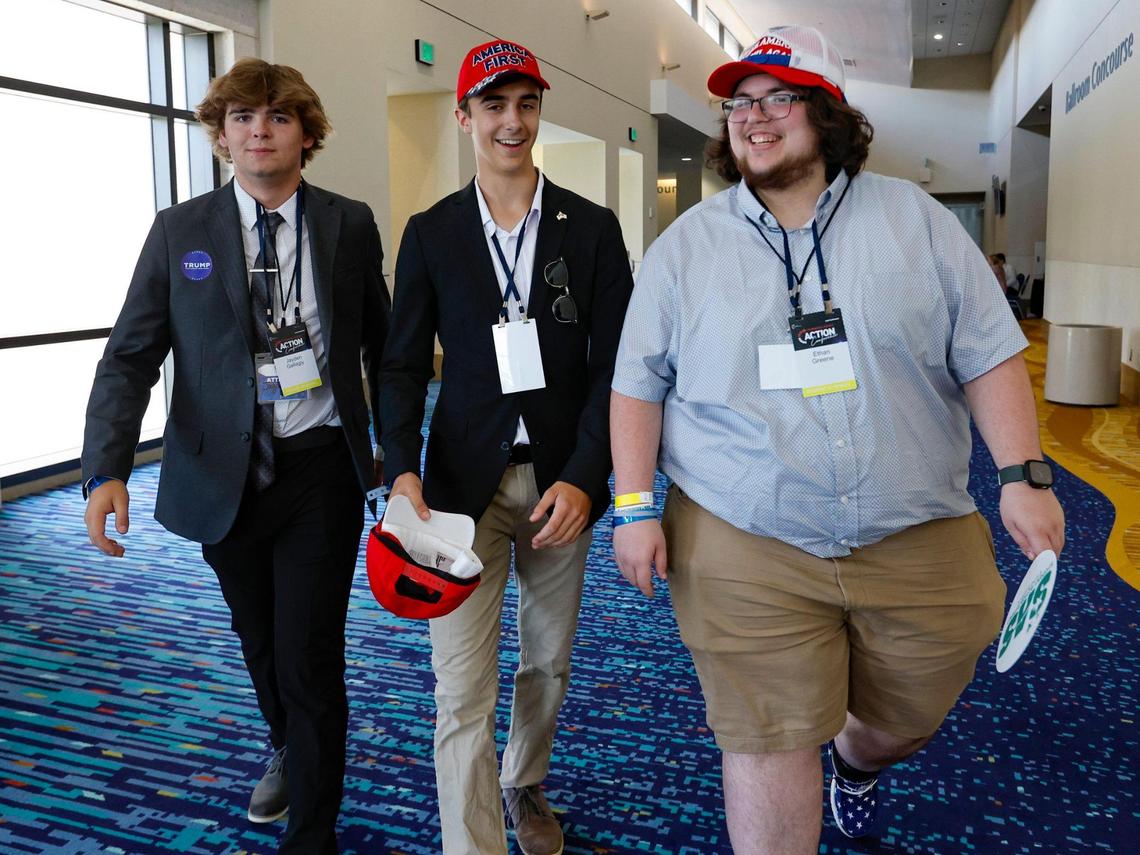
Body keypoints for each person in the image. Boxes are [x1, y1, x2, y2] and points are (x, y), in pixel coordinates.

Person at [609, 26, 1064, 854]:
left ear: (826, 113)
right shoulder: (686, 251)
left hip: (915, 523)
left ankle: (857, 759)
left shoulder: (916, 222)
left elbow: (989, 352)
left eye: (778, 97)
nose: (754, 117)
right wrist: (634, 505)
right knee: (767, 732)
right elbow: (638, 382)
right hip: (744, 533)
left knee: (909, 711)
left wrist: (1022, 472)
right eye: (739, 103)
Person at [81, 57, 389, 854]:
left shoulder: (348, 223)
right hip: (223, 473)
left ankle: (312, 831)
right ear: (221, 135)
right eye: (244, 118)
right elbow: (130, 354)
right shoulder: (180, 230)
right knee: (260, 641)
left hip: (320, 463)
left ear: (307, 134)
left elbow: (385, 347)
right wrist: (106, 468)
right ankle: (287, 744)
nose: (260, 130)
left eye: (279, 117)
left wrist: (402, 456)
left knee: (309, 654)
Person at [379, 39, 633, 855]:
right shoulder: (431, 233)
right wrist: (402, 470)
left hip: (560, 480)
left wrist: (591, 476)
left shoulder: (591, 230)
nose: (512, 121)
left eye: (526, 103)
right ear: (464, 117)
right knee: (461, 688)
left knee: (547, 663)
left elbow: (615, 369)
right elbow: (401, 364)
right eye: (493, 106)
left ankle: (524, 779)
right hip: (461, 486)